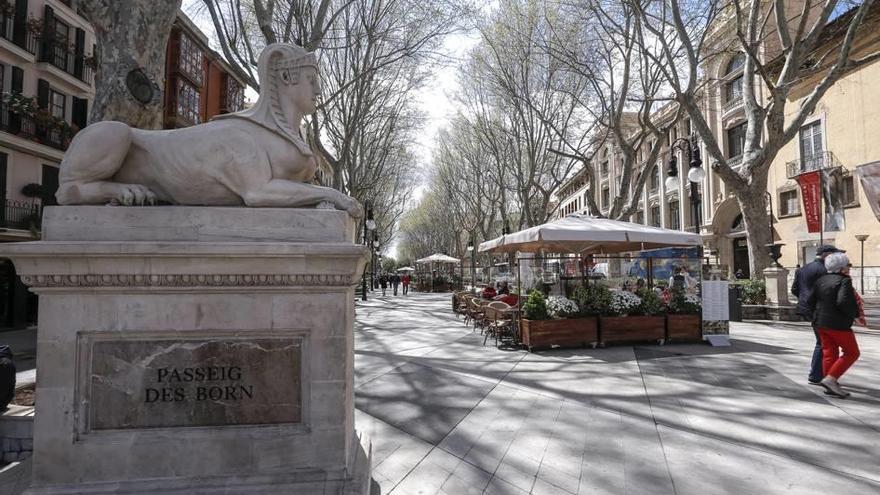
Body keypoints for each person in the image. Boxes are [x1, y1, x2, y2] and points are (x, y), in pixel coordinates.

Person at [808, 252, 860, 397]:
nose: (849, 268)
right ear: (842, 267)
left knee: (829, 352)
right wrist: (855, 314)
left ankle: (829, 382)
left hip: (820, 322)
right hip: (838, 324)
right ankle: (831, 379)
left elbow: (810, 301)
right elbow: (844, 301)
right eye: (848, 265)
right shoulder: (844, 281)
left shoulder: (821, 280)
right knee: (852, 353)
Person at [792, 245, 845, 385]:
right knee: (822, 343)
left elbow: (795, 289)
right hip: (819, 310)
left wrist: (804, 300)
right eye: (834, 255)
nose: (836, 258)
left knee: (822, 342)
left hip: (807, 308)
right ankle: (816, 375)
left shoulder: (803, 269)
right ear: (826, 255)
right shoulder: (825, 270)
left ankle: (822, 374)